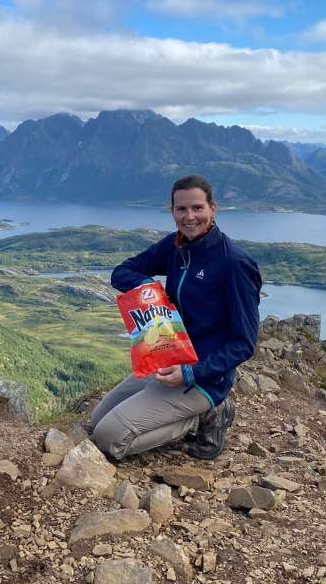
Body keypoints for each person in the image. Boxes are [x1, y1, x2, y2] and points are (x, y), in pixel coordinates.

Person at [89, 174, 262, 462]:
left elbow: (244, 344)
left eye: (197, 208)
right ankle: (185, 411)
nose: (190, 216)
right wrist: (154, 294)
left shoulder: (234, 263)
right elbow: (121, 273)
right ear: (172, 212)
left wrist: (191, 373)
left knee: (109, 439)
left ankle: (205, 414)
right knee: (96, 421)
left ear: (213, 209)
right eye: (181, 209)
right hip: (167, 362)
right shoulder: (176, 247)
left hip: (202, 378)